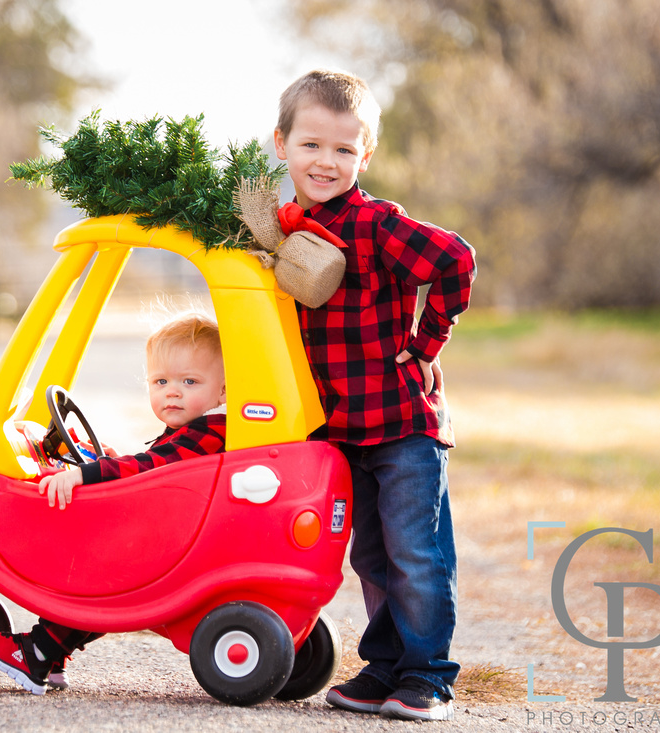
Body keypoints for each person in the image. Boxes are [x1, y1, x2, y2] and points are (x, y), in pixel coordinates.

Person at [272, 69, 476, 721]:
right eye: (311, 145)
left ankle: (426, 675)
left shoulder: (375, 223)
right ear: (281, 145)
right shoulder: (283, 229)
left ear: (367, 154)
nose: (325, 162)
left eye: (343, 149)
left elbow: (455, 259)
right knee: (371, 553)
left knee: (416, 551)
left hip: (401, 421)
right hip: (342, 426)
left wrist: (426, 341)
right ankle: (385, 664)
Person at [0, 312, 227, 695]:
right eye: (161, 381)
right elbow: (157, 469)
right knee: (104, 558)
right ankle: (53, 653)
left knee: (94, 564)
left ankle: (38, 653)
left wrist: (88, 474)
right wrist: (105, 459)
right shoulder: (191, 429)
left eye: (189, 381)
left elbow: (150, 468)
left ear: (223, 390)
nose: (172, 391)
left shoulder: (210, 432)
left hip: (174, 549)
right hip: (174, 536)